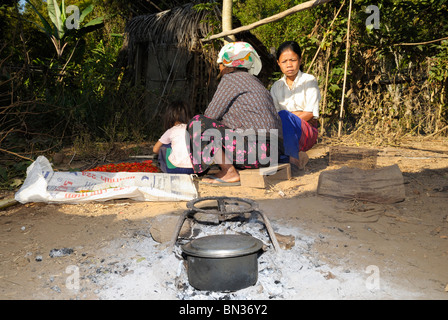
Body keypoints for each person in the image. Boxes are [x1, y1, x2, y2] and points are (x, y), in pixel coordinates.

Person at [187, 41, 283, 186]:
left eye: (220, 64)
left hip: (255, 151)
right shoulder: (255, 82)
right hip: (272, 154)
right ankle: (228, 168)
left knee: (197, 123)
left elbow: (209, 116)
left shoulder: (231, 79)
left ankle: (229, 171)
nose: (219, 68)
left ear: (227, 64)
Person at [270, 41, 321, 172]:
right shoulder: (276, 87)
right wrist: (292, 116)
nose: (289, 65)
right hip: (285, 135)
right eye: (284, 61)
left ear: (300, 60)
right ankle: (295, 156)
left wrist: (288, 118)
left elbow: (310, 113)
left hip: (306, 132)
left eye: (293, 60)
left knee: (284, 115)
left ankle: (293, 160)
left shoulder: (309, 81)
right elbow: (274, 117)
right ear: (278, 63)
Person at [153, 100, 194, 174]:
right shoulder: (195, 129)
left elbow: (155, 149)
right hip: (195, 169)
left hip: (174, 169)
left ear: (169, 116)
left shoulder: (171, 130)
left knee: (165, 146)